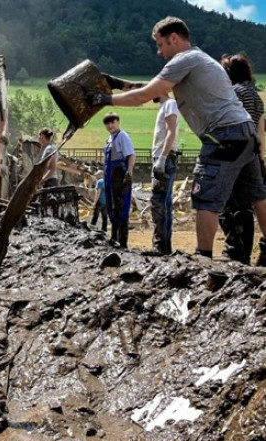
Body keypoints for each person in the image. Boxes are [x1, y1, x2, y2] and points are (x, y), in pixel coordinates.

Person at [87, 17, 266, 263]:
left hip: (222, 135)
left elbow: (147, 94)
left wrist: (104, 100)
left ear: (174, 38)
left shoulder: (183, 60)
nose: (160, 52)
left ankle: (202, 260)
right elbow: (154, 88)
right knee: (257, 195)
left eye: (161, 45)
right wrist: (117, 84)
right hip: (246, 133)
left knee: (205, 197)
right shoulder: (202, 60)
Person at [218, 53, 265, 264]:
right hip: (252, 152)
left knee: (231, 204)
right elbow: (260, 129)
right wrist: (260, 157)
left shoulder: (233, 93)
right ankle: (251, 250)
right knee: (249, 203)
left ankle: (236, 250)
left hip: (234, 151)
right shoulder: (255, 96)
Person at [149, 93, 181, 255]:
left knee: (158, 200)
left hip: (165, 157)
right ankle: (164, 245)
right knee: (165, 202)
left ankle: (160, 245)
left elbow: (171, 131)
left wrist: (162, 158)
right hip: (166, 157)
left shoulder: (169, 104)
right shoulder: (167, 105)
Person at [102, 112, 136, 248]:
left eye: (113, 122)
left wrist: (129, 172)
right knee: (111, 207)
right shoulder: (109, 139)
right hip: (109, 175)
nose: (110, 125)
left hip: (120, 175)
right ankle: (113, 237)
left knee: (121, 207)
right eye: (107, 123)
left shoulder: (123, 136)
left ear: (118, 122)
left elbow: (131, 155)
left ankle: (123, 242)